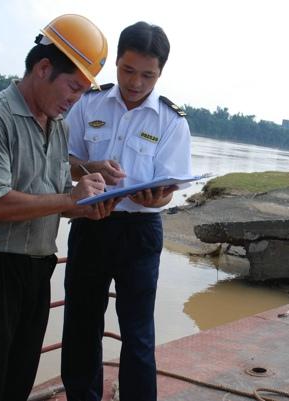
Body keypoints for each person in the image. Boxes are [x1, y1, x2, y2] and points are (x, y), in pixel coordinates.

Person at [0, 14, 120, 401]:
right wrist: (69, 199)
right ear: (43, 68)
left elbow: (58, 195)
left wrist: (88, 205)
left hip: (36, 268)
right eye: (72, 87)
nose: (75, 100)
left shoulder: (57, 126)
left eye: (81, 92)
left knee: (17, 381)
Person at [61, 21, 192, 401]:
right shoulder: (89, 102)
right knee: (81, 324)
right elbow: (62, 160)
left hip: (141, 231)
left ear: (161, 73)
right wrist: (91, 167)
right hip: (91, 223)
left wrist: (159, 199)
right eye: (128, 70)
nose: (136, 83)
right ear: (115, 63)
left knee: (137, 332)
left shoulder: (171, 120)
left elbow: (169, 186)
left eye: (147, 75)